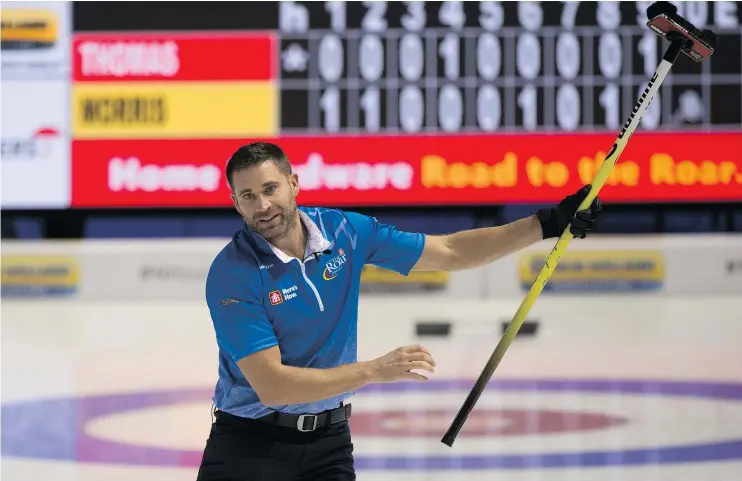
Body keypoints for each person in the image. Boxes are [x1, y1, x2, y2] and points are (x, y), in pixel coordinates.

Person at [197, 142, 602, 481]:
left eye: (270, 188)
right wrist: (375, 370)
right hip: (248, 449)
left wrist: (546, 223)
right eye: (248, 196)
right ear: (235, 203)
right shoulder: (232, 274)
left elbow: (451, 251)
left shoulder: (345, 232)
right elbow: (275, 387)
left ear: (294, 184)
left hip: (328, 444)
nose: (263, 205)